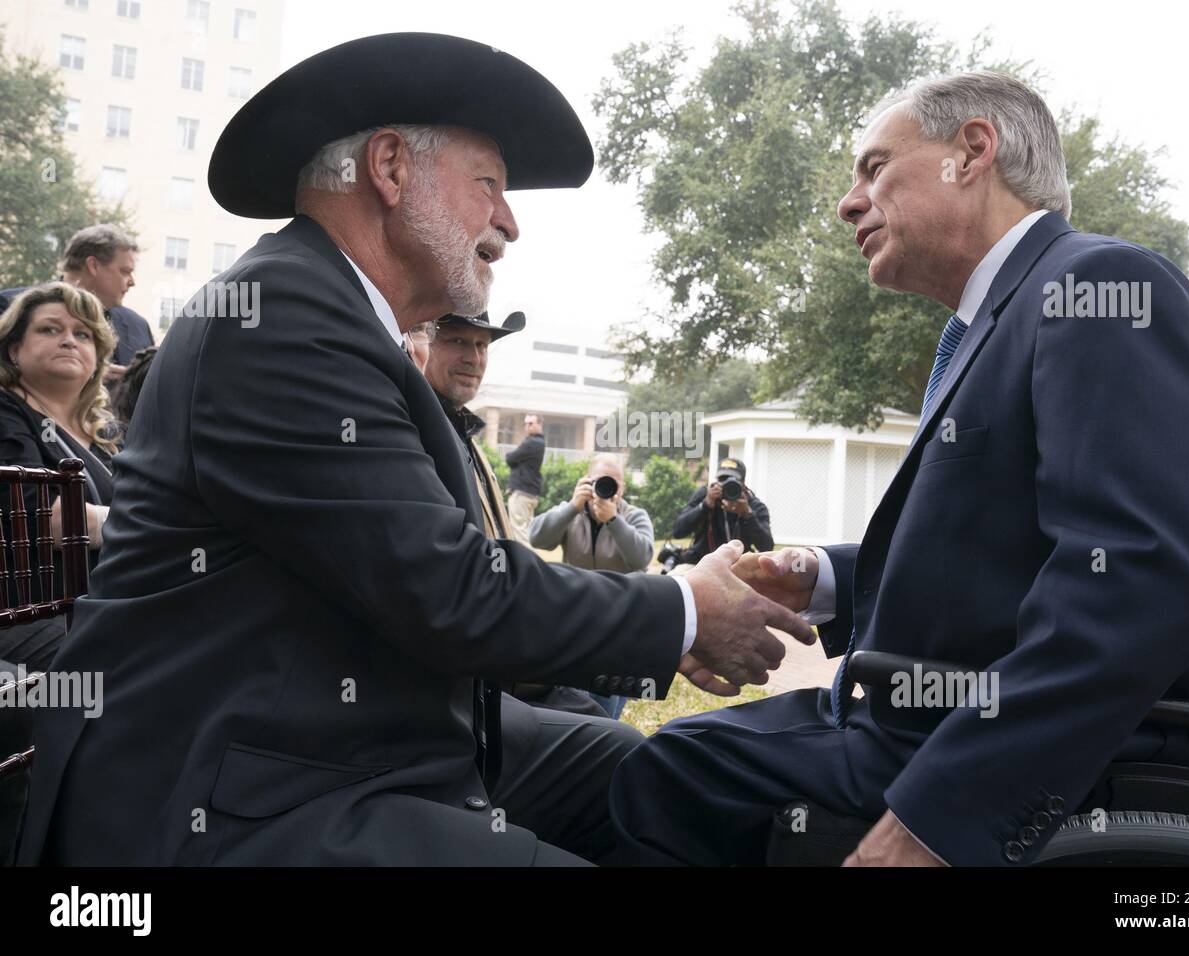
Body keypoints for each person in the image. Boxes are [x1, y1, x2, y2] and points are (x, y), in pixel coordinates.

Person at [18, 33, 811, 867]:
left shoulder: (334, 314)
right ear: (390, 169)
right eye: (491, 187)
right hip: (233, 784)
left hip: (361, 733)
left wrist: (670, 623)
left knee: (694, 782)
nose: (508, 222)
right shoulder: (281, 314)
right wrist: (682, 607)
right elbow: (447, 587)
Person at [609, 70, 1189, 867]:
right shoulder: (1002, 319)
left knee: (659, 780)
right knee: (653, 760)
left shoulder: (1098, 289)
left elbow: (1141, 581)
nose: (848, 202)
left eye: (874, 168)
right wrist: (815, 578)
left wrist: (944, 819)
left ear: (972, 152)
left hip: (993, 758)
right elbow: (999, 566)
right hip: (914, 721)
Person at [416, 310, 624, 721]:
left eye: (482, 345)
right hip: (469, 681)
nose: (473, 357)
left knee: (614, 680)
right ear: (422, 343)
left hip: (506, 646)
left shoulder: (465, 438)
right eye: (457, 341)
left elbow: (508, 553)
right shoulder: (419, 435)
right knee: (613, 739)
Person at [0, 283, 120, 670]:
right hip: (27, 610)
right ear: (14, 349)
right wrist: (148, 523)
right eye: (50, 329)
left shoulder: (106, 436)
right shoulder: (7, 414)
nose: (68, 340)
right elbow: (49, 520)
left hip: (108, 600)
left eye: (82, 334)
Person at [530, 453, 656, 718]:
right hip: (576, 615)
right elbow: (537, 537)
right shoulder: (572, 511)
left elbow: (642, 557)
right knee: (574, 696)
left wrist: (613, 520)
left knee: (605, 706)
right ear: (587, 480)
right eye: (600, 480)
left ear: (623, 487)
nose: (607, 488)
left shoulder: (634, 515)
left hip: (622, 619)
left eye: (614, 482)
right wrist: (572, 506)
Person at [1, 225, 154, 385]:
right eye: (125, 271)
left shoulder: (138, 326)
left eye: (82, 335)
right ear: (93, 265)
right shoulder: (9, 307)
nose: (132, 282)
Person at [671, 457, 773, 566]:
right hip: (700, 563)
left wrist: (747, 514)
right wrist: (705, 505)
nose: (726, 485)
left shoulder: (753, 505)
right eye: (722, 480)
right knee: (675, 578)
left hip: (738, 566)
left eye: (732, 481)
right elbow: (678, 531)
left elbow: (766, 546)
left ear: (743, 483)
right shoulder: (705, 495)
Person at [506, 413, 545, 541]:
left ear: (540, 424)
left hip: (522, 494)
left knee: (519, 533)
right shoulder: (538, 442)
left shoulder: (532, 442)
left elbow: (510, 458)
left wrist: (513, 458)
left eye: (531, 423)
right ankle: (531, 560)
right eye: (525, 424)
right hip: (529, 493)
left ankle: (529, 561)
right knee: (527, 533)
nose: (527, 427)